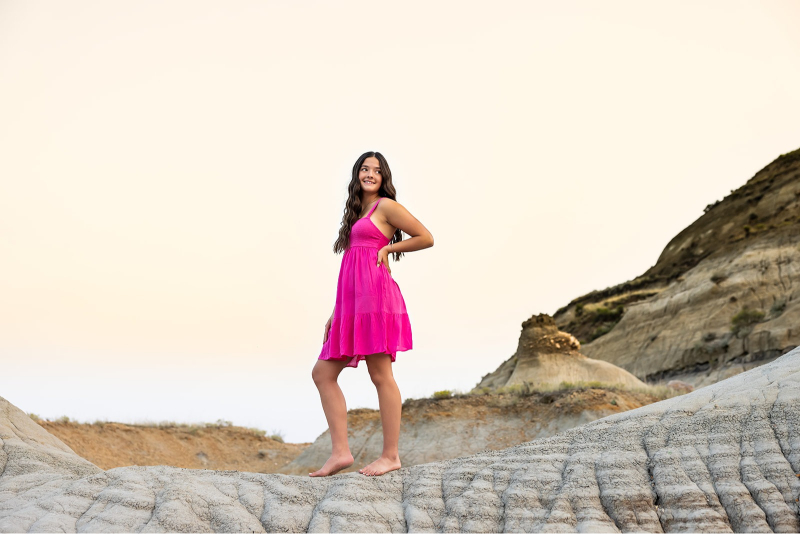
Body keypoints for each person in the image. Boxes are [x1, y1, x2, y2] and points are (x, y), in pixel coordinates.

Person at [310, 151, 434, 477]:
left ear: (384, 177)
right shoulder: (357, 212)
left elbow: (426, 237)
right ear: (357, 175)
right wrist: (336, 313)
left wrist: (389, 248)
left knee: (380, 376)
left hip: (377, 301)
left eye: (376, 171)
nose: (369, 174)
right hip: (352, 306)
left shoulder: (386, 206)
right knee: (322, 374)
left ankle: (391, 455)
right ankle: (340, 452)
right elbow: (351, 270)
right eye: (364, 169)